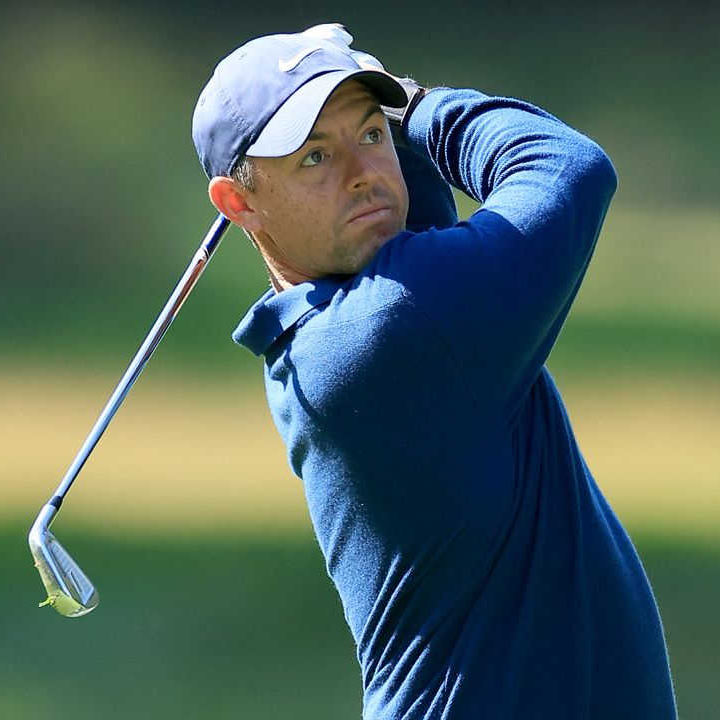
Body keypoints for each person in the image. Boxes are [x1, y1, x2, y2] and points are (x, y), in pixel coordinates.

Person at [192, 24, 677, 719]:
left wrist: (366, 109)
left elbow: (404, 220)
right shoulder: (397, 328)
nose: (361, 173)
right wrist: (414, 108)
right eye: (314, 158)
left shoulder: (330, 324)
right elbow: (567, 167)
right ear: (239, 204)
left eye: (369, 135)